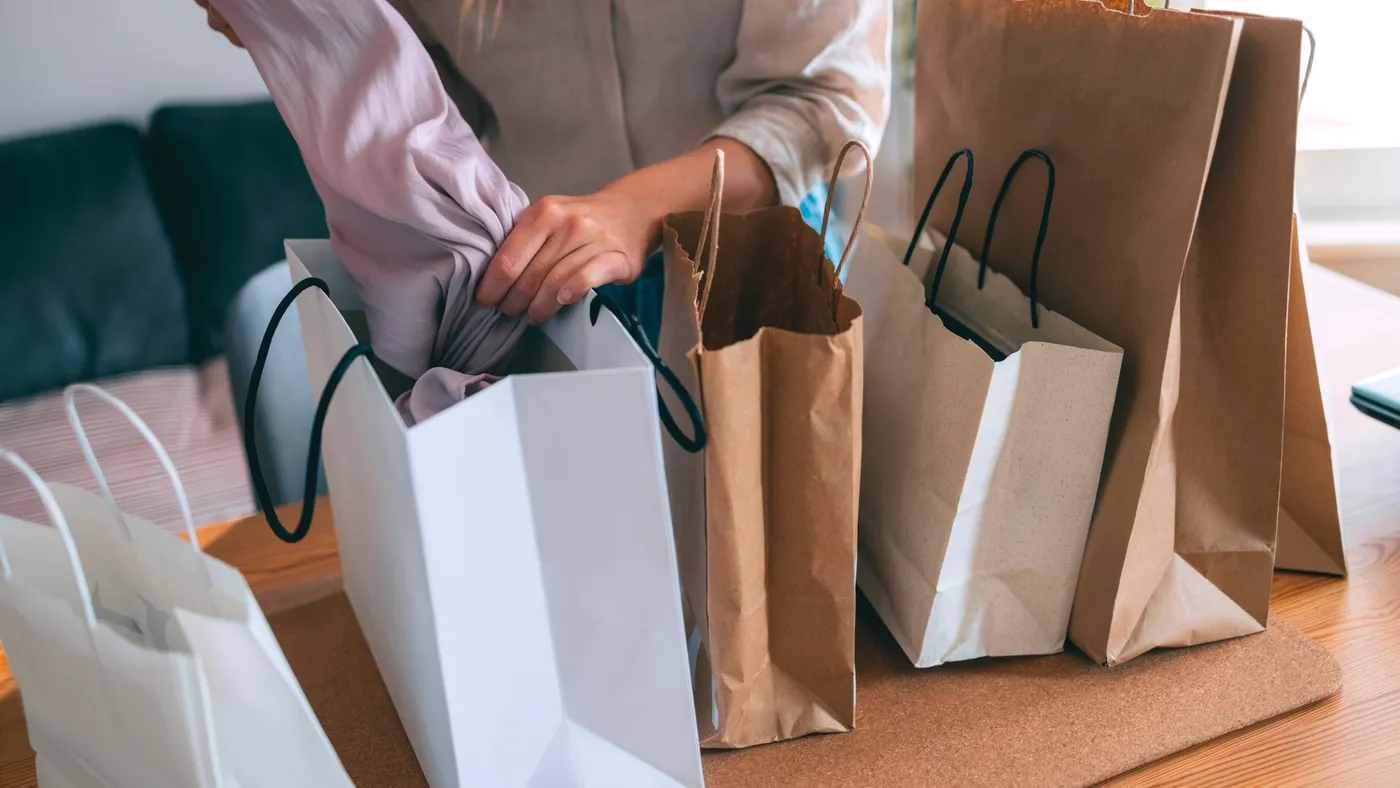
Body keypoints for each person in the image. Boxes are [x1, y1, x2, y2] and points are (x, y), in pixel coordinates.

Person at [196, 0, 890, 340]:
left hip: (750, 248)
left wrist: (637, 210)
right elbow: (430, 107)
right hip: (533, 283)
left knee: (776, 574)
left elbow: (823, 102)